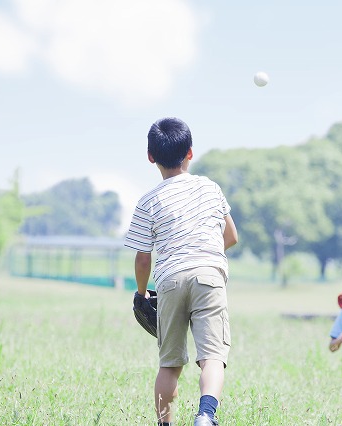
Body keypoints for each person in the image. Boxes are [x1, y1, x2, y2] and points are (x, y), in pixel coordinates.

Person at [124, 117, 239, 426]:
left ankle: (165, 423)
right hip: (209, 276)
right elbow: (231, 237)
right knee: (212, 356)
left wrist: (140, 292)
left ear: (151, 157)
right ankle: (205, 416)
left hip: (170, 280)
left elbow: (143, 259)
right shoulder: (209, 188)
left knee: (170, 363)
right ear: (190, 152)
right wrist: (206, 256)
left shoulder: (148, 201)